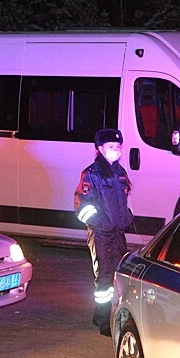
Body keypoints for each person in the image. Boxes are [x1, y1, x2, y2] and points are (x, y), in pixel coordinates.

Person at [74, 128, 134, 337]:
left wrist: (126, 217)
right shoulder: (92, 174)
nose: (115, 150)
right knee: (104, 278)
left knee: (117, 275)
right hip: (101, 234)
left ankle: (105, 314)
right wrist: (101, 224)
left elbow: (123, 202)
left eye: (118, 147)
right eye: (111, 147)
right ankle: (103, 322)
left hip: (117, 233)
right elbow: (82, 207)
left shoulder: (119, 173)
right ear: (100, 148)